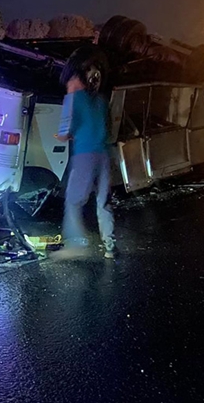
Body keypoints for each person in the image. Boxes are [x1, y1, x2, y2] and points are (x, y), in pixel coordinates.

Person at [56, 48, 116, 259]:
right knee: (103, 203)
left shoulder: (73, 99)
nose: (68, 85)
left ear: (77, 79)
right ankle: (110, 247)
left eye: (70, 81)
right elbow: (107, 129)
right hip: (104, 156)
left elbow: (64, 133)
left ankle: (75, 245)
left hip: (84, 156)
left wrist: (62, 136)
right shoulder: (101, 100)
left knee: (73, 201)